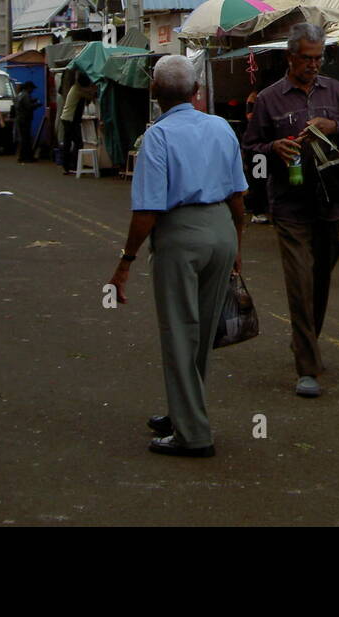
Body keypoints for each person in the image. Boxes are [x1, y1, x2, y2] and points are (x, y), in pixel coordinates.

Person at [107, 55, 247, 457]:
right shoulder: (220, 127)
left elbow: (147, 210)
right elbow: (239, 194)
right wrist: (237, 243)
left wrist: (125, 261)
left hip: (180, 236)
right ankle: (184, 413)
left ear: (155, 94)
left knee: (180, 332)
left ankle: (193, 435)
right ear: (196, 92)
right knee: (201, 332)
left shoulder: (157, 136)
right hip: (221, 229)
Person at [241, 23, 339, 398]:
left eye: (319, 58)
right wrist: (272, 149)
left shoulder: (337, 93)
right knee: (299, 283)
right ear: (290, 57)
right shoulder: (268, 99)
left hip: (332, 203)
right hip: (290, 204)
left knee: (320, 280)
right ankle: (308, 367)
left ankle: (305, 342)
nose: (314, 65)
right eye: (306, 58)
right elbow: (249, 150)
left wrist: (336, 128)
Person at [59, 72, 90, 175]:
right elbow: (90, 95)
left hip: (66, 118)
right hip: (70, 119)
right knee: (78, 142)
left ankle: (66, 167)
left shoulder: (75, 87)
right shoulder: (78, 89)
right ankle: (74, 165)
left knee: (68, 143)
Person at [14, 81, 40, 164]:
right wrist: (37, 104)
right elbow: (28, 107)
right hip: (24, 119)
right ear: (28, 88)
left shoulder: (20, 94)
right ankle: (26, 157)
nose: (32, 90)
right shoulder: (25, 95)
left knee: (23, 138)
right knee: (26, 139)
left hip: (20, 119)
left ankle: (23, 157)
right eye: (32, 89)